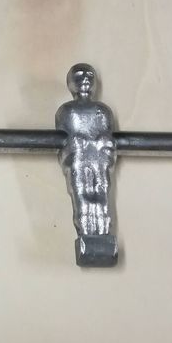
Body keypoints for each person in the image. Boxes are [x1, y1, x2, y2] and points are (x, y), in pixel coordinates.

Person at [55, 63, 118, 267]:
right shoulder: (66, 111)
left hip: (98, 159)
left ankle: (103, 232)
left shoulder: (103, 111)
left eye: (89, 75)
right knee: (82, 196)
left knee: (100, 194)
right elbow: (64, 143)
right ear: (70, 84)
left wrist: (103, 144)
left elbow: (108, 139)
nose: (84, 79)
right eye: (78, 76)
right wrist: (74, 147)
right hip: (79, 159)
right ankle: (87, 234)